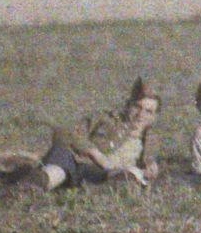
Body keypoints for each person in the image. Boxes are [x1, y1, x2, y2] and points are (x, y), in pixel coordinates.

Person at [29, 77, 162, 190]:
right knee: (60, 163)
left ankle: (109, 188)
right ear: (128, 106)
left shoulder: (151, 139)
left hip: (107, 174)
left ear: (154, 117)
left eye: (148, 111)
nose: (140, 115)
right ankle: (34, 185)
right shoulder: (106, 119)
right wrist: (94, 152)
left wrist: (150, 169)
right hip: (78, 162)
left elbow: (147, 167)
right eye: (137, 107)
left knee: (129, 175)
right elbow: (64, 131)